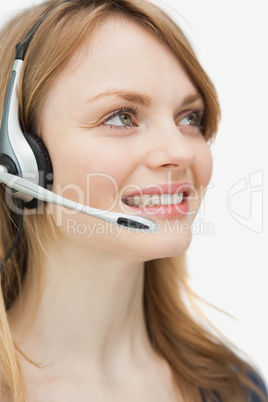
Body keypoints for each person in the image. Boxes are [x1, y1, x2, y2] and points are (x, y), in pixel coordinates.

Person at [0, 0, 267, 401]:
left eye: (189, 117)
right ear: (22, 161)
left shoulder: (235, 386)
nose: (180, 151)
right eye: (122, 117)